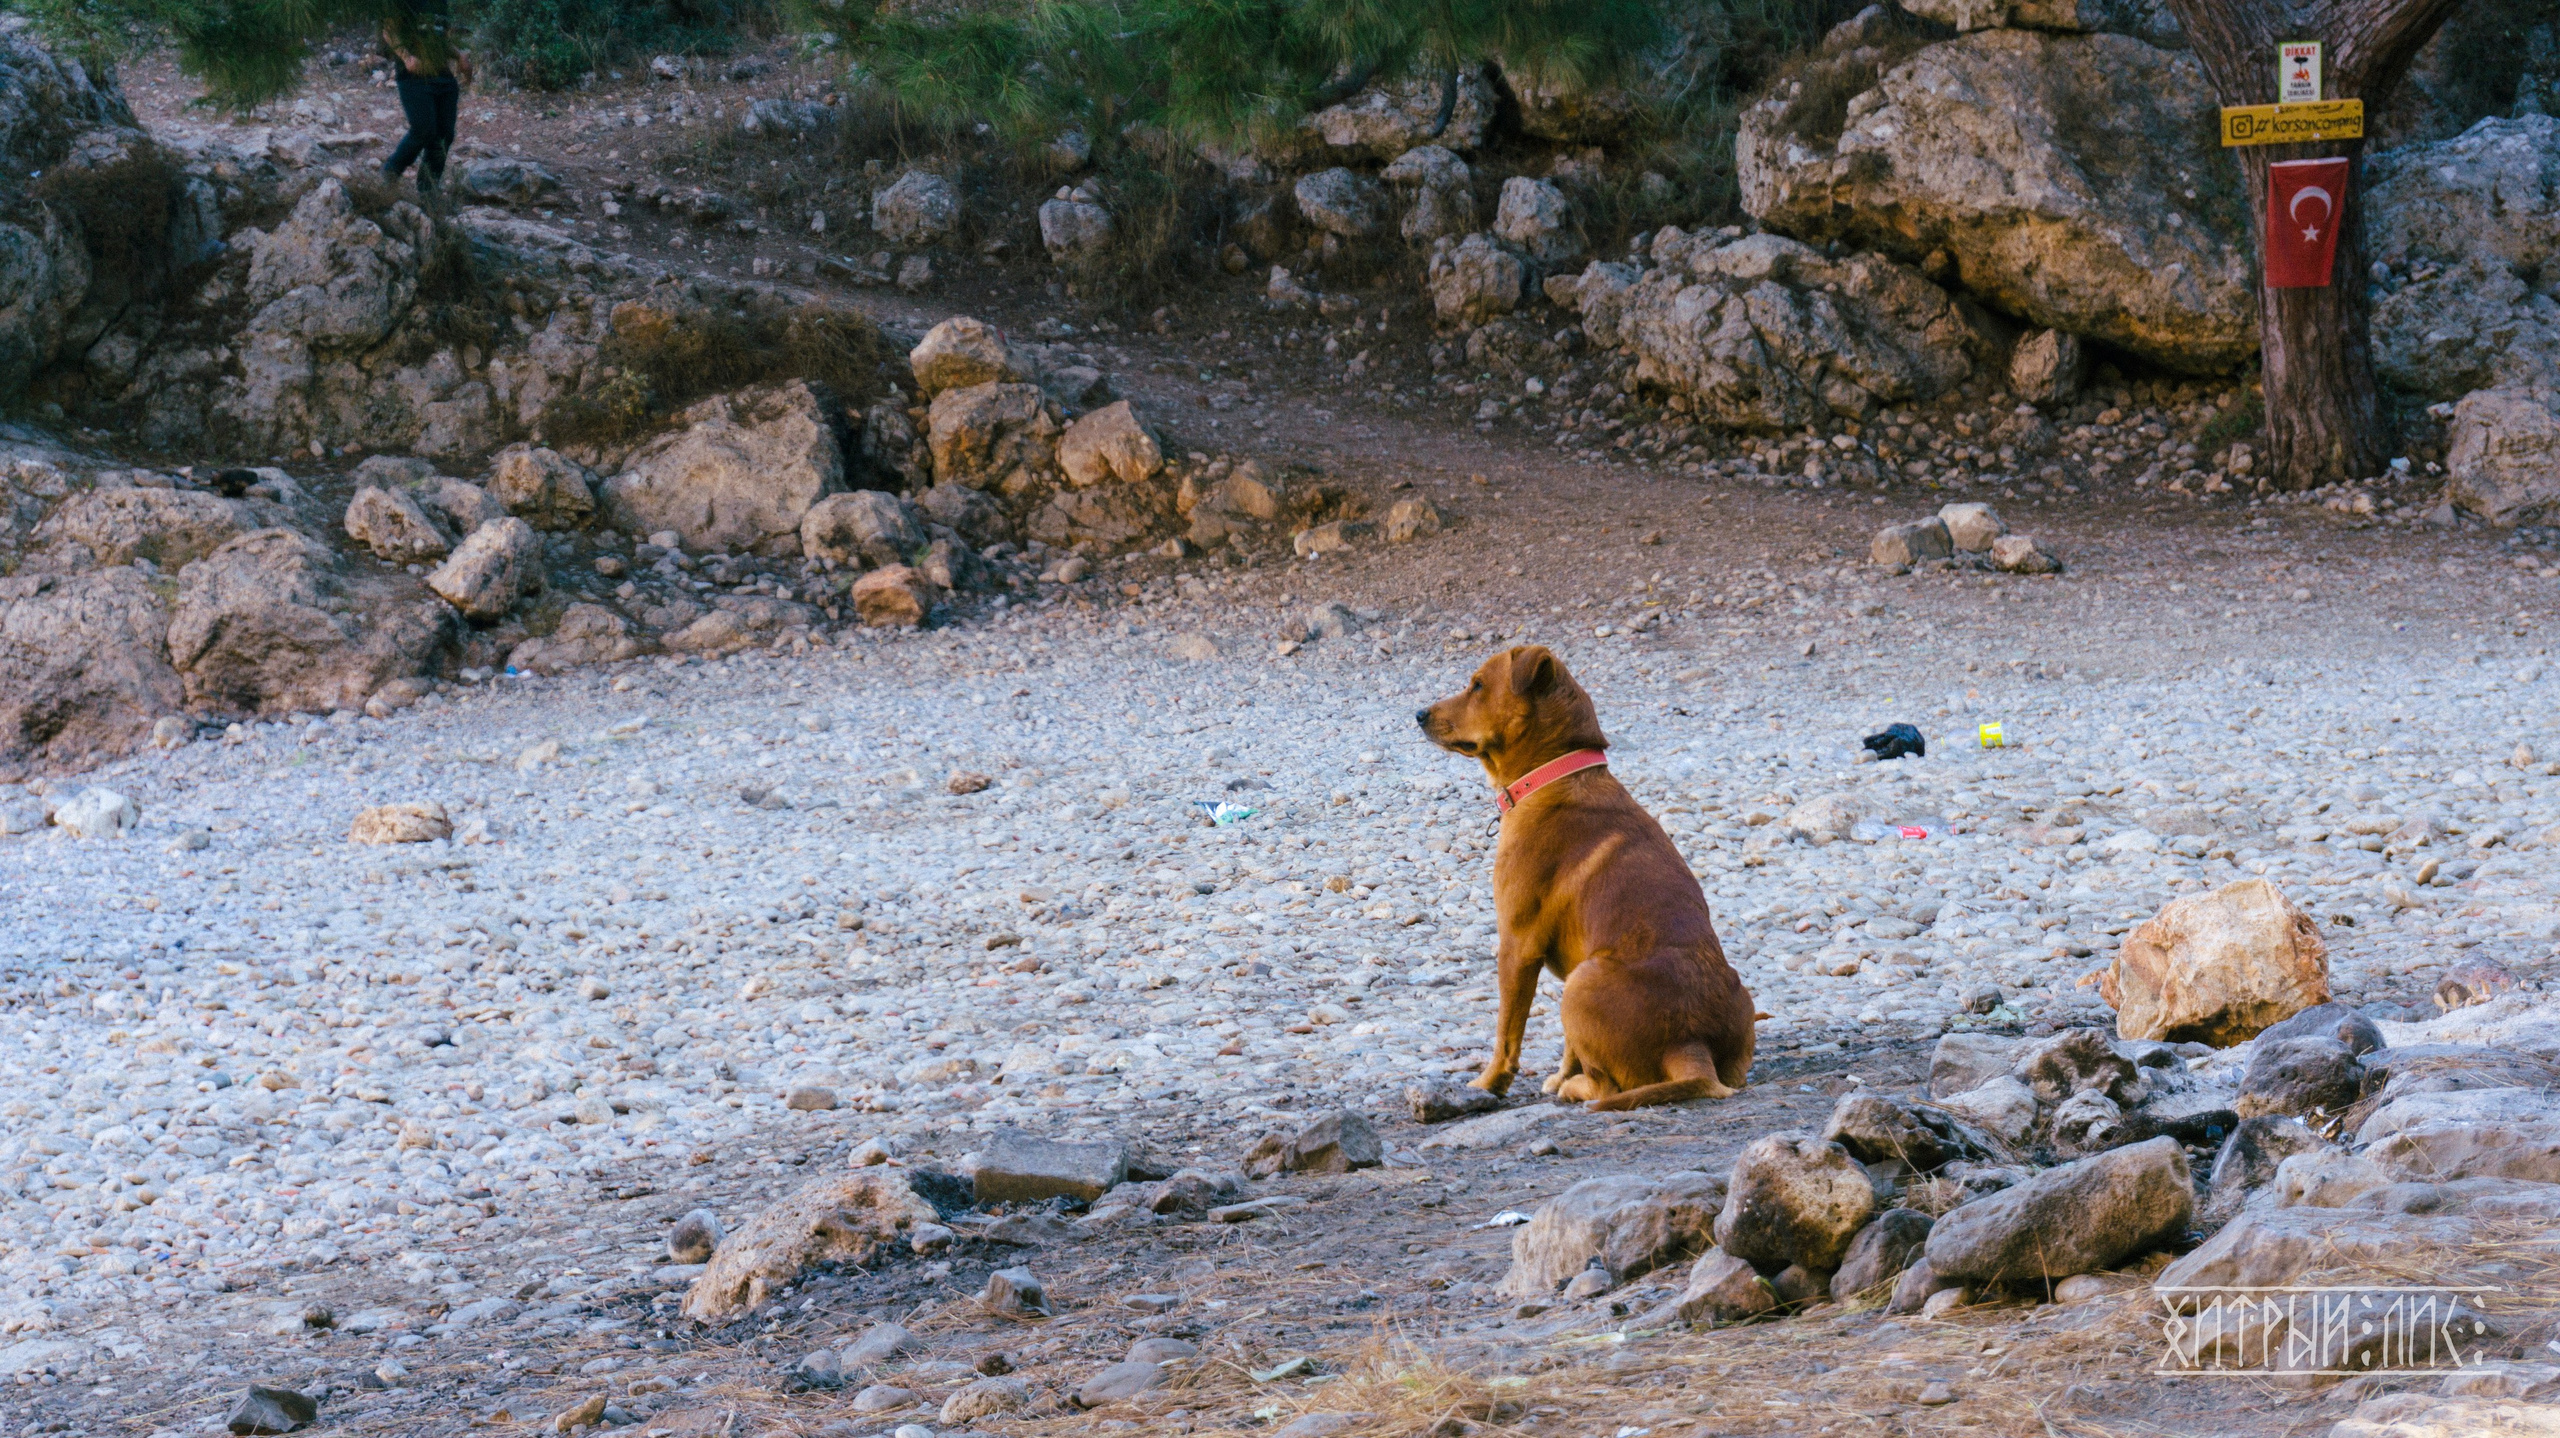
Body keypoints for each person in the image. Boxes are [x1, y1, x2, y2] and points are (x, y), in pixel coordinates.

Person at [380, 0, 475, 194]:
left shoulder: (442, 4)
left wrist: (459, 56)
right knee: (423, 129)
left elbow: (439, 40)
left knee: (444, 136)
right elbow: (388, 31)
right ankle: (388, 176)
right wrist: (406, 57)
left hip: (442, 75)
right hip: (414, 76)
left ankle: (428, 192)